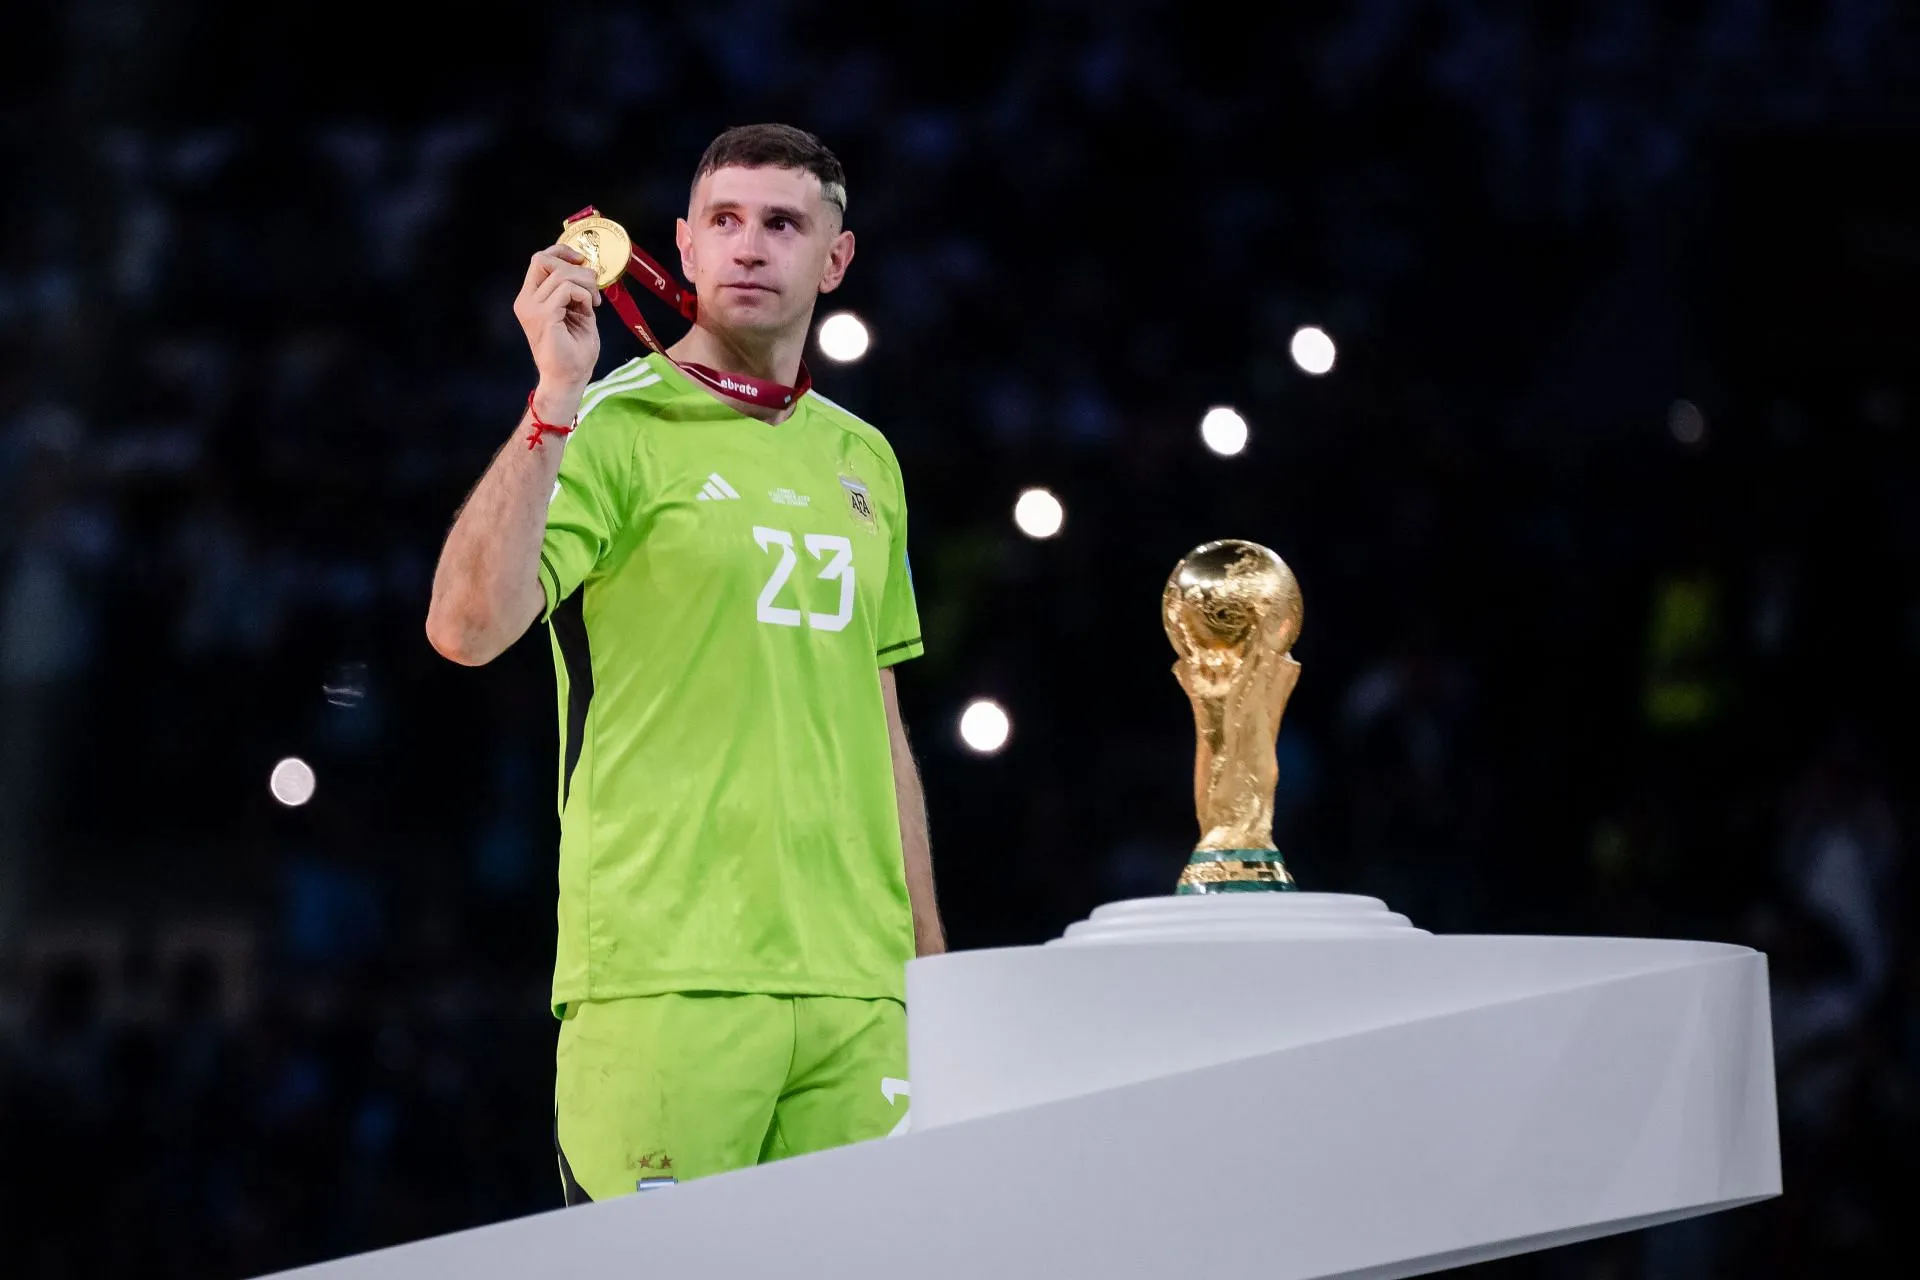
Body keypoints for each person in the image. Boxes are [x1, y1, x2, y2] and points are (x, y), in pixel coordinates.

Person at [425, 123, 944, 1200]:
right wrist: (553, 398)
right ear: (682, 247)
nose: (750, 246)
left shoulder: (865, 458)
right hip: (664, 975)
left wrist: (929, 973)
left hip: (858, 990)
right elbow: (465, 628)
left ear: (834, 260)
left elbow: (879, 722)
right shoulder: (607, 429)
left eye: (783, 223)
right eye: (724, 220)